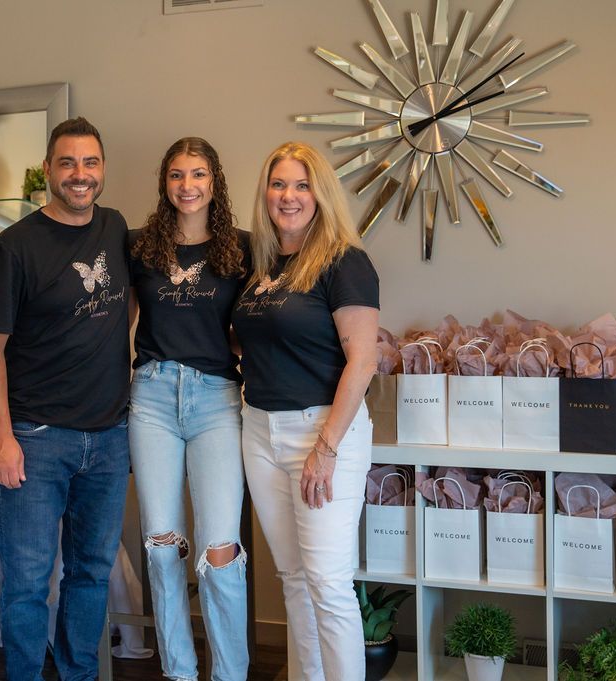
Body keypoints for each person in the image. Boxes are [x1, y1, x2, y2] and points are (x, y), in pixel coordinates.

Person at [0, 117, 131, 681]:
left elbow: (129, 305)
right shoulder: (12, 248)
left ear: (103, 169)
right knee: (26, 582)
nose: (79, 175)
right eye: (67, 163)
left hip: (111, 439)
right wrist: (3, 438)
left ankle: (78, 675)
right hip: (38, 440)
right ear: (48, 171)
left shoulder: (115, 229)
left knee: (90, 573)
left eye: (90, 163)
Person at [232, 142, 379, 681]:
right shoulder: (263, 266)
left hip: (321, 432)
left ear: (320, 194)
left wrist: (326, 448)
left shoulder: (345, 261)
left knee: (327, 582)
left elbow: (362, 360)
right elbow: (254, 339)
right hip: (259, 430)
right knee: (293, 577)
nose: (288, 196)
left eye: (300, 185)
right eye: (278, 185)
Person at [128, 137, 249, 681]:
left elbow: (260, 324)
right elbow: (110, 321)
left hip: (216, 400)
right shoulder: (139, 249)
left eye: (197, 174)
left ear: (214, 181)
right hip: (151, 395)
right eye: (176, 175)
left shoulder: (241, 249)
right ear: (165, 183)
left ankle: (229, 674)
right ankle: (178, 671)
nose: (187, 186)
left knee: (220, 550)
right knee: (159, 547)